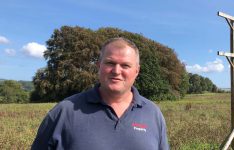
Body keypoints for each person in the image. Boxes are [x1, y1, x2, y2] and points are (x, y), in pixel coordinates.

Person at [31, 37, 169, 150]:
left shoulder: (153, 113)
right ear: (99, 66)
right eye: (110, 63)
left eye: (125, 65)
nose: (116, 71)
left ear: (137, 71)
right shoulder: (64, 112)